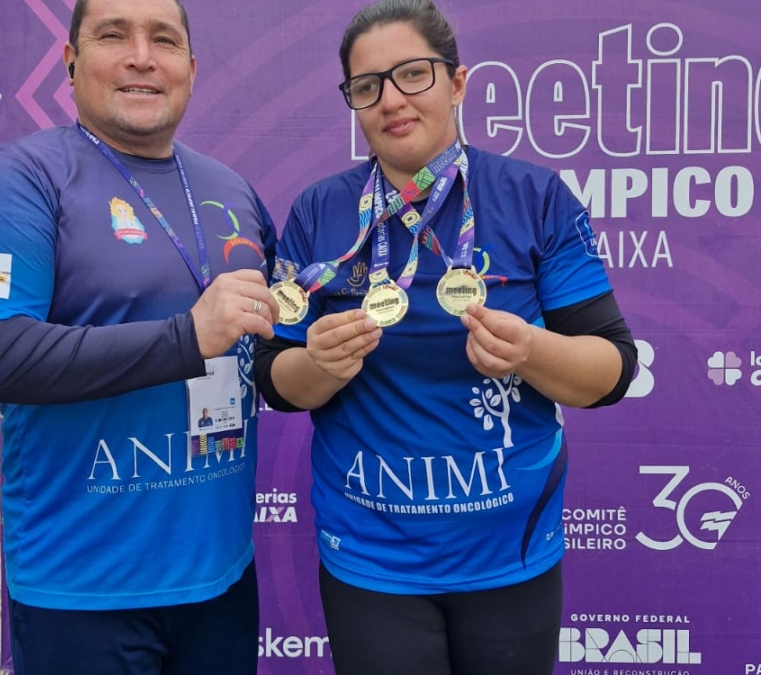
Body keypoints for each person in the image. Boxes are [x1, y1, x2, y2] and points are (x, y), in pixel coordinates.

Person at [253, 1, 638, 673]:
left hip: (508, 552)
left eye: (413, 75)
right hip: (373, 556)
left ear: (458, 83)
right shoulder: (320, 211)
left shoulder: (536, 197)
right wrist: (318, 365)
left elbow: (612, 368)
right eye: (367, 86)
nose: (391, 100)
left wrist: (531, 351)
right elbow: (275, 378)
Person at [0, 0, 278, 672]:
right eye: (112, 35)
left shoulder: (232, 189)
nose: (141, 56)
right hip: (80, 590)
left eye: (163, 39)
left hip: (222, 579)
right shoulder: (14, 180)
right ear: (69, 62)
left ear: (189, 67)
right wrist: (187, 336)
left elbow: (271, 345)